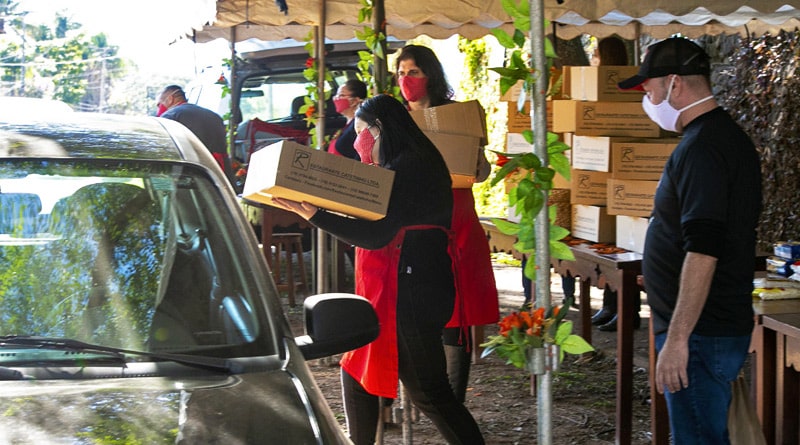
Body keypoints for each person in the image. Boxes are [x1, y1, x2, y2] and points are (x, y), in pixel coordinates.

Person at [272, 94, 485, 445]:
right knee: (358, 371)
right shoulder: (408, 160)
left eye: (360, 131)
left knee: (429, 392)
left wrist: (315, 214)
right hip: (404, 286)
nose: (356, 141)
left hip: (411, 291)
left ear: (380, 129)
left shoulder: (408, 166)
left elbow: (376, 235)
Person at [618, 37, 762, 444]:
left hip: (700, 334)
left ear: (675, 83)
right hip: (706, 328)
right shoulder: (719, 138)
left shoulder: (703, 147)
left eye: (649, 87)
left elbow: (705, 247)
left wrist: (678, 338)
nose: (646, 96)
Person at [396, 44, 499, 404]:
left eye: (414, 72)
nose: (407, 80)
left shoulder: (460, 116)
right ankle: (419, 396)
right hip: (414, 222)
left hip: (456, 220)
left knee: (459, 306)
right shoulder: (395, 119)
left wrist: (469, 154)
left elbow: (481, 172)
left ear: (431, 76)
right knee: (415, 305)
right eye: (402, 73)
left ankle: (452, 400)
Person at [157, 85, 234, 184]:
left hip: (191, 176)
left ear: (170, 99)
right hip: (221, 175)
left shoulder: (170, 116)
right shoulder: (214, 116)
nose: (159, 108)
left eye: (159, 104)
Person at [327, 79, 368, 160]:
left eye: (341, 95)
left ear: (355, 100)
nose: (336, 99)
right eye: (336, 95)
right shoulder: (347, 125)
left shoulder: (359, 127)